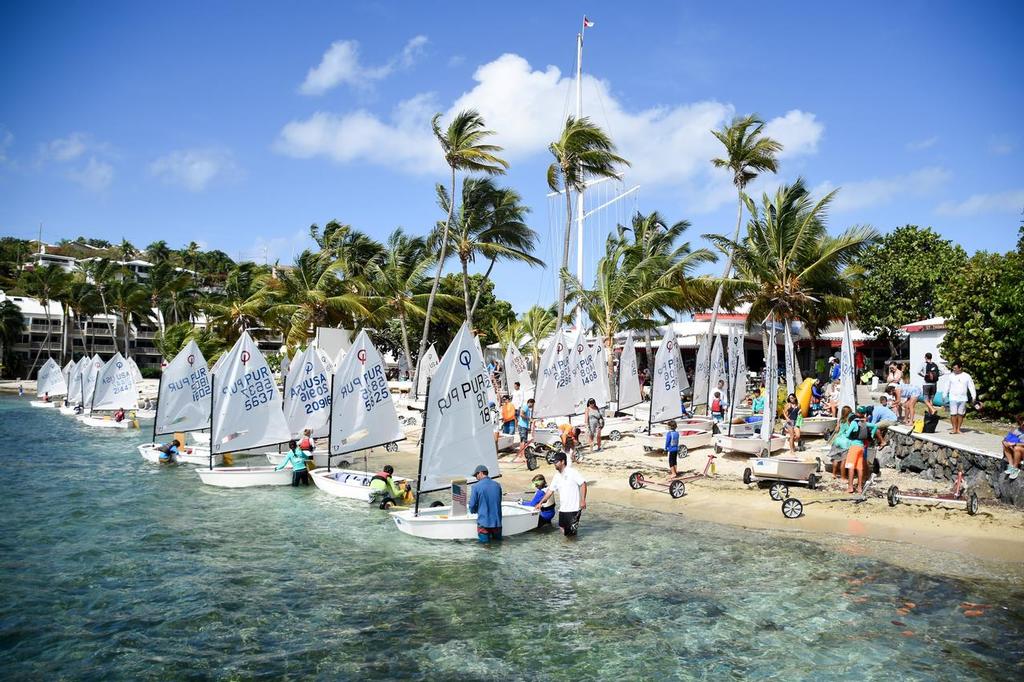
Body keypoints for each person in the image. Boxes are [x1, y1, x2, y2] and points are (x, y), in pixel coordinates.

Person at [534, 453, 587, 537]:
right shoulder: (556, 476)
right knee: (563, 529)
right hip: (562, 509)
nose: (554, 464)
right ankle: (568, 549)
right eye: (554, 462)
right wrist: (540, 503)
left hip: (573, 509)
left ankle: (574, 548)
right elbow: (550, 491)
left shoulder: (572, 472)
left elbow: (583, 484)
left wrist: (583, 500)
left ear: (562, 461)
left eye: (556, 461)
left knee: (571, 534)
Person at [468, 464, 503, 543]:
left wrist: (474, 510)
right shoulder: (497, 485)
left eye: (476, 475)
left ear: (480, 473)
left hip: (484, 522)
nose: (476, 478)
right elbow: (499, 501)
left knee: (484, 548)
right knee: (498, 546)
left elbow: (472, 505)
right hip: (497, 522)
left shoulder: (476, 487)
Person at [946, 362, 978, 435]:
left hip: (963, 398)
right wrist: (944, 395)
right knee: (953, 414)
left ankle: (958, 429)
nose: (954, 369)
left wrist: (974, 396)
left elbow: (971, 386)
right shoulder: (951, 376)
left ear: (960, 368)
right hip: (953, 397)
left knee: (960, 414)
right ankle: (954, 429)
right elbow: (947, 386)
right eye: (953, 368)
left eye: (955, 368)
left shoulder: (967, 376)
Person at [1001, 414, 1024, 480]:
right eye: (1021, 423)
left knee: (1017, 448)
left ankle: (1015, 468)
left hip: (1020, 450)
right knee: (1004, 443)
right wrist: (1007, 443)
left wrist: (1014, 444)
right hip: (1018, 451)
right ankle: (1011, 465)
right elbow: (1006, 440)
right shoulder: (1016, 431)